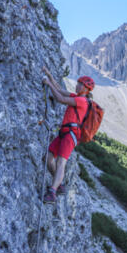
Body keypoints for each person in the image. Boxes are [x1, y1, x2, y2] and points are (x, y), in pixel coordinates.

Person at [42, 66, 95, 204]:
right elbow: (59, 89)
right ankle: (58, 185)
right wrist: (50, 75)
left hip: (70, 135)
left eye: (80, 84)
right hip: (64, 133)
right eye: (78, 83)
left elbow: (60, 98)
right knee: (48, 158)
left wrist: (48, 83)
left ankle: (52, 192)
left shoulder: (82, 101)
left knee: (60, 162)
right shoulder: (77, 97)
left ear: (85, 88)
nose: (77, 85)